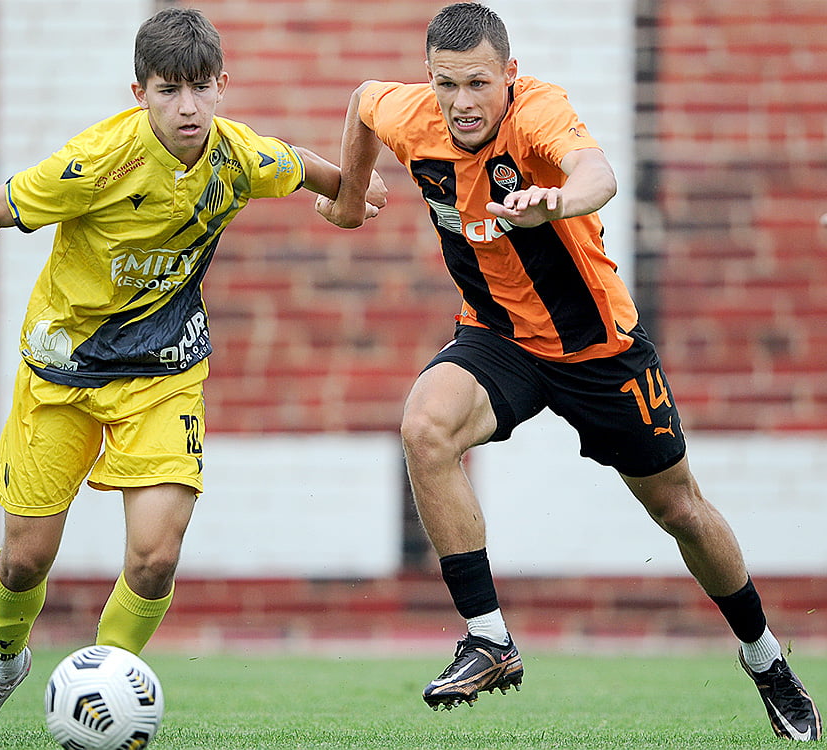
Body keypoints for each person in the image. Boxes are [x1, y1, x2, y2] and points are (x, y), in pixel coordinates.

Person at [0, 7, 384, 739]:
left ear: (223, 85)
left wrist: (353, 193)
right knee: (24, 562)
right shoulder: (96, 161)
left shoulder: (238, 156)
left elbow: (306, 168)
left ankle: (103, 686)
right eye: (169, 90)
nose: (188, 107)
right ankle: (3, 664)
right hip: (63, 373)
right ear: (140, 92)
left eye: (201, 88)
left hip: (165, 375)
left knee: (154, 559)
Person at [317, 2, 821, 741]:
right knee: (425, 427)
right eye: (447, 84)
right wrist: (350, 196)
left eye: (479, 83)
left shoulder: (538, 112)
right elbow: (365, 100)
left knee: (679, 510)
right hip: (497, 336)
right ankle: (489, 638)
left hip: (597, 350)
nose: (462, 103)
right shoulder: (414, 115)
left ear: (509, 75)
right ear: (429, 79)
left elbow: (598, 173)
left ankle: (764, 656)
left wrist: (556, 201)